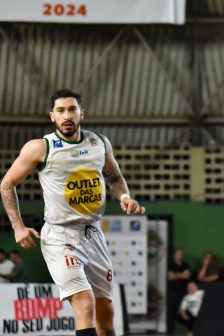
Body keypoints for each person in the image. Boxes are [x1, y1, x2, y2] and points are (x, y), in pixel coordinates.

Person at [0, 88, 145, 336]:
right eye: (60, 110)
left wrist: (124, 197)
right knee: (85, 304)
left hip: (93, 233)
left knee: (106, 316)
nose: (67, 115)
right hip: (60, 236)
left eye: (72, 109)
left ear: (81, 113)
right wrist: (18, 226)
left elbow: (115, 178)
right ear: (52, 116)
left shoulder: (98, 143)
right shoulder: (41, 147)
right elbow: (7, 184)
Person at [168, 248, 192, 334]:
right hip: (173, 291)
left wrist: (176, 274)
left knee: (185, 311)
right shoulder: (170, 265)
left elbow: (187, 276)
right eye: (178, 254)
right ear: (174, 255)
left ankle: (188, 331)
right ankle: (171, 332)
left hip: (184, 291)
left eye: (181, 254)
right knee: (172, 312)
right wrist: (181, 275)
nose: (180, 256)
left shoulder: (186, 265)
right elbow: (170, 277)